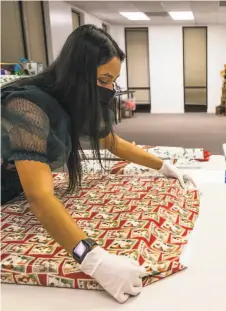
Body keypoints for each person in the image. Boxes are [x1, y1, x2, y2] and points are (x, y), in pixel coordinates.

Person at [1, 25, 195, 302]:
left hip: (16, 186)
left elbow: (112, 142)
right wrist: (92, 257)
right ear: (77, 74)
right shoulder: (27, 105)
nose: (109, 90)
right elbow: (39, 195)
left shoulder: (74, 98)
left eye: (113, 81)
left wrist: (161, 166)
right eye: (103, 80)